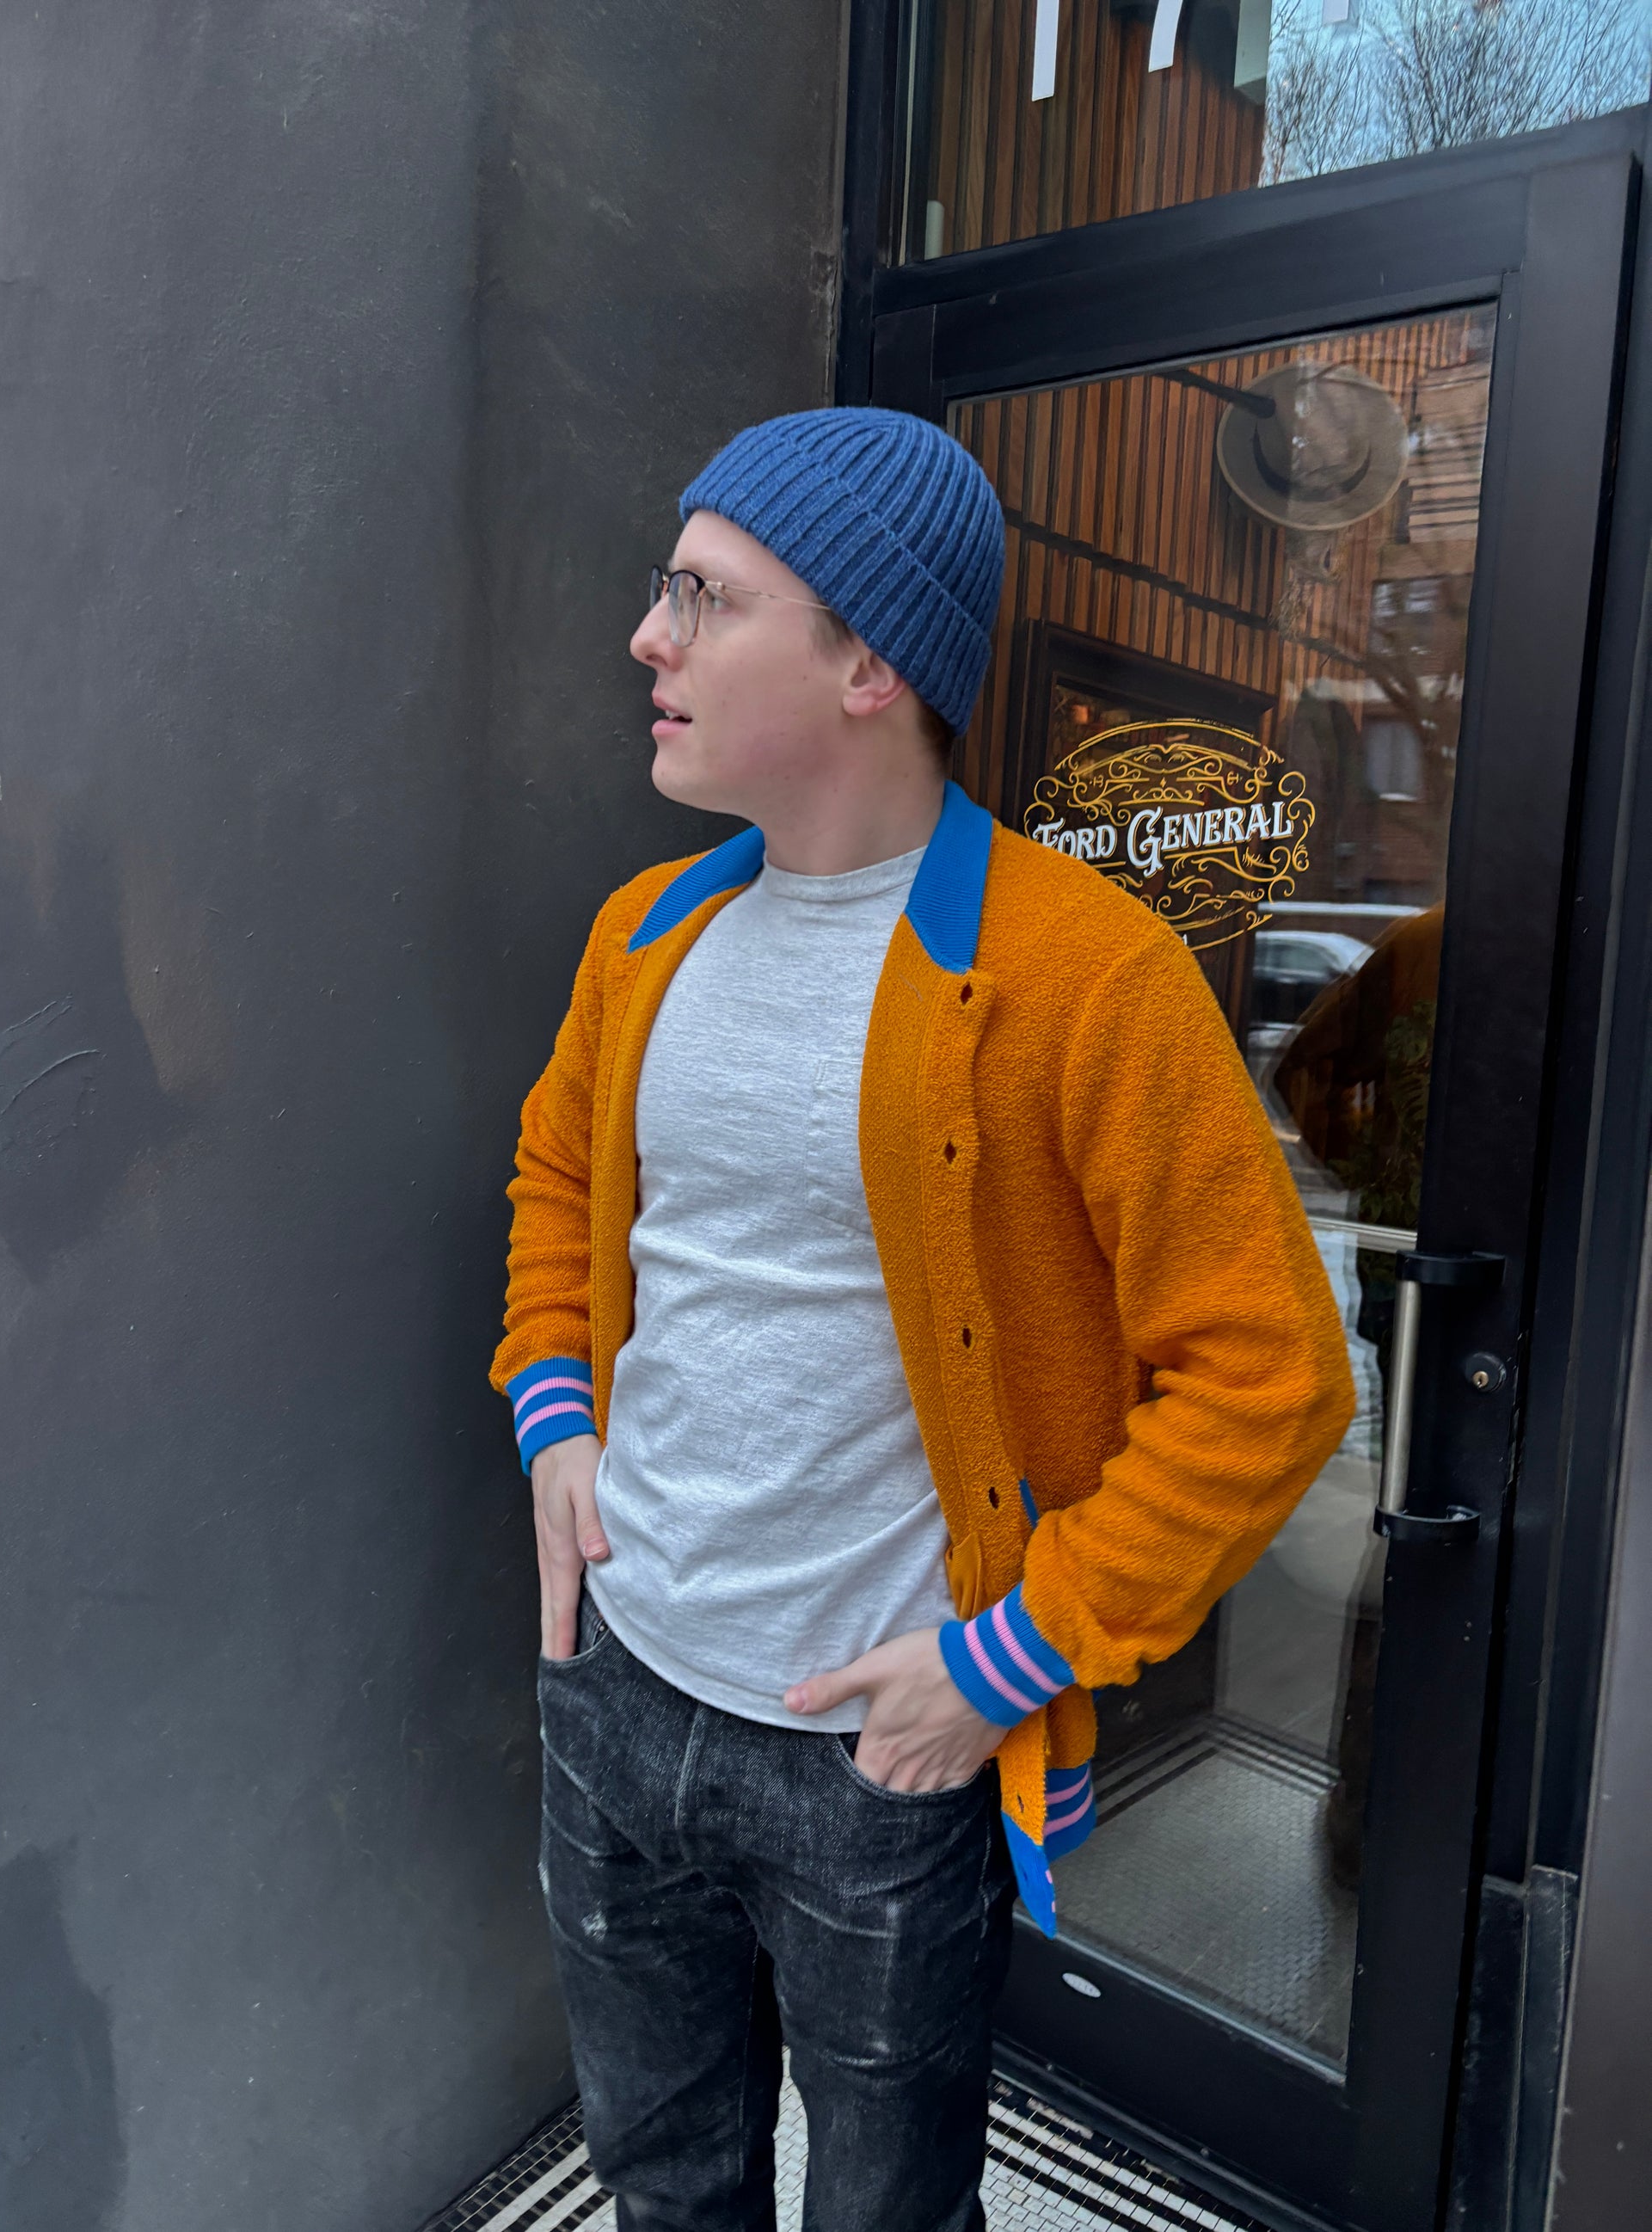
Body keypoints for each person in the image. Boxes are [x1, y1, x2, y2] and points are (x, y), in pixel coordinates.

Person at [490, 406, 1355, 2232]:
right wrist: (555, 1420)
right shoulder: (643, 933)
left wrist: (1008, 1658)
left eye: (704, 598)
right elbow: (560, 1179)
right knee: (660, 2185)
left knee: (887, 2211)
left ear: (868, 662)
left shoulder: (1085, 974)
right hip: (618, 1680)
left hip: (873, 1753)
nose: (648, 637)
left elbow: (1270, 1377)